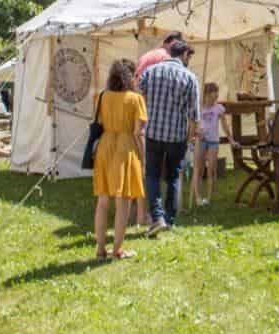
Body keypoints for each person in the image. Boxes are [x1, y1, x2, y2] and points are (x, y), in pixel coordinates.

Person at [139, 40, 199, 236]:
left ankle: (157, 217)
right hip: (176, 136)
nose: (189, 60)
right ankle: (170, 220)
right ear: (184, 55)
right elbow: (194, 117)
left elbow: (140, 98)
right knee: (173, 177)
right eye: (189, 56)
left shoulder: (150, 72)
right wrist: (189, 139)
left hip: (153, 132)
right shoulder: (190, 77)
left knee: (152, 175)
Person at [91, 59, 147, 260]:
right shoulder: (135, 99)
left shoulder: (102, 96)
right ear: (130, 77)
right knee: (123, 201)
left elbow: (98, 121)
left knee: (103, 200)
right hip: (125, 148)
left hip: (105, 146)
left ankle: (100, 249)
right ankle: (117, 250)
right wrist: (143, 158)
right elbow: (138, 133)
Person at [191, 82, 227, 207]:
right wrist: (196, 132)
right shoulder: (198, 108)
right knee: (198, 169)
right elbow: (192, 125)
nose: (216, 95)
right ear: (206, 94)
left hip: (213, 141)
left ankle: (209, 198)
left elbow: (225, 125)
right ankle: (197, 197)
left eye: (217, 93)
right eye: (213, 93)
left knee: (211, 169)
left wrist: (231, 138)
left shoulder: (219, 108)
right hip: (201, 140)